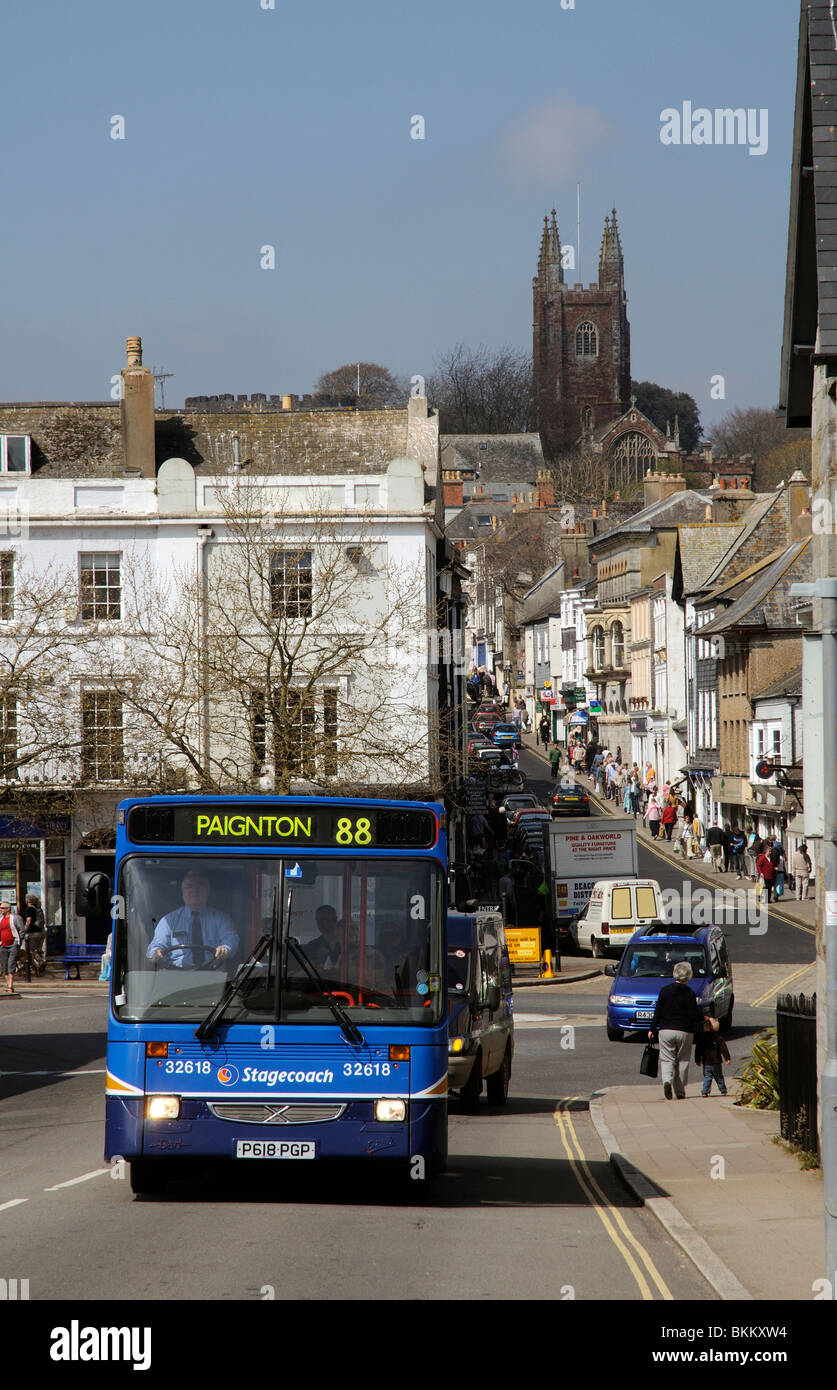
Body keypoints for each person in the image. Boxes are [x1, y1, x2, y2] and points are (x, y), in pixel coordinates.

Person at [147, 871, 237, 968]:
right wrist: (156, 952)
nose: (194, 890)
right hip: (176, 977)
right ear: (182, 893)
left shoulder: (221, 919)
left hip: (214, 974)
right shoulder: (168, 921)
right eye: (189, 886)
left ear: (208, 891)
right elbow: (156, 945)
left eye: (199, 885)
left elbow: (230, 939)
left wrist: (225, 949)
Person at [649, 960, 701, 1099]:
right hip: (684, 1031)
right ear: (689, 976)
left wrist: (652, 1028)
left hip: (665, 1029)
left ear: (675, 974)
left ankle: (667, 1081)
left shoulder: (665, 991)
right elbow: (693, 1015)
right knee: (683, 1061)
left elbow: (658, 1011)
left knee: (667, 1060)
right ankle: (680, 1091)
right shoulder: (690, 993)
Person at [695, 1017, 730, 1096]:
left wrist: (698, 1060)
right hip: (716, 1061)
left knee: (707, 1076)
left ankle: (705, 1091)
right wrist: (727, 1057)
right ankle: (723, 1090)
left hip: (706, 1062)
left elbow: (698, 1050)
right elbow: (723, 1048)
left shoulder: (701, 1038)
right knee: (719, 1076)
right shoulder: (718, 1037)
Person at [0, 901, 24, 995]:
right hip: (3, 944)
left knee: (11, 964)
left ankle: (10, 986)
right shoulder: (1, 919)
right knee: (4, 965)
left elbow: (21, 930)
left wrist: (18, 942)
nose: (1, 910)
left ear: (8, 909)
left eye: (2, 908)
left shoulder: (16, 918)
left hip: (13, 944)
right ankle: (8, 985)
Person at [23, 893, 46, 975]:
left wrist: (24, 930)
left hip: (33, 932)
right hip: (40, 932)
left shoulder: (29, 909)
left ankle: (40, 961)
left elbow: (28, 921)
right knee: (36, 950)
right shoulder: (38, 908)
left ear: (28, 900)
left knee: (30, 951)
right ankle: (36, 968)